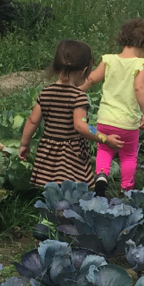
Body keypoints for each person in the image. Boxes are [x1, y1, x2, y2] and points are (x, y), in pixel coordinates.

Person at [19, 40, 124, 188]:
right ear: (84, 70)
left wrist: (24, 144)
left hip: (48, 153)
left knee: (52, 190)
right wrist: (105, 138)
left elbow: (32, 120)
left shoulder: (45, 93)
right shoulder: (78, 96)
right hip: (70, 155)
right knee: (72, 191)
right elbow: (81, 126)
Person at [82, 18, 144, 196]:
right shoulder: (141, 64)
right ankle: (126, 188)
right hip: (128, 123)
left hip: (105, 120)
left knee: (104, 149)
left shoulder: (108, 60)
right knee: (128, 155)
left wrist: (75, 90)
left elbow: (92, 79)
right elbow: (139, 87)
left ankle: (101, 174)